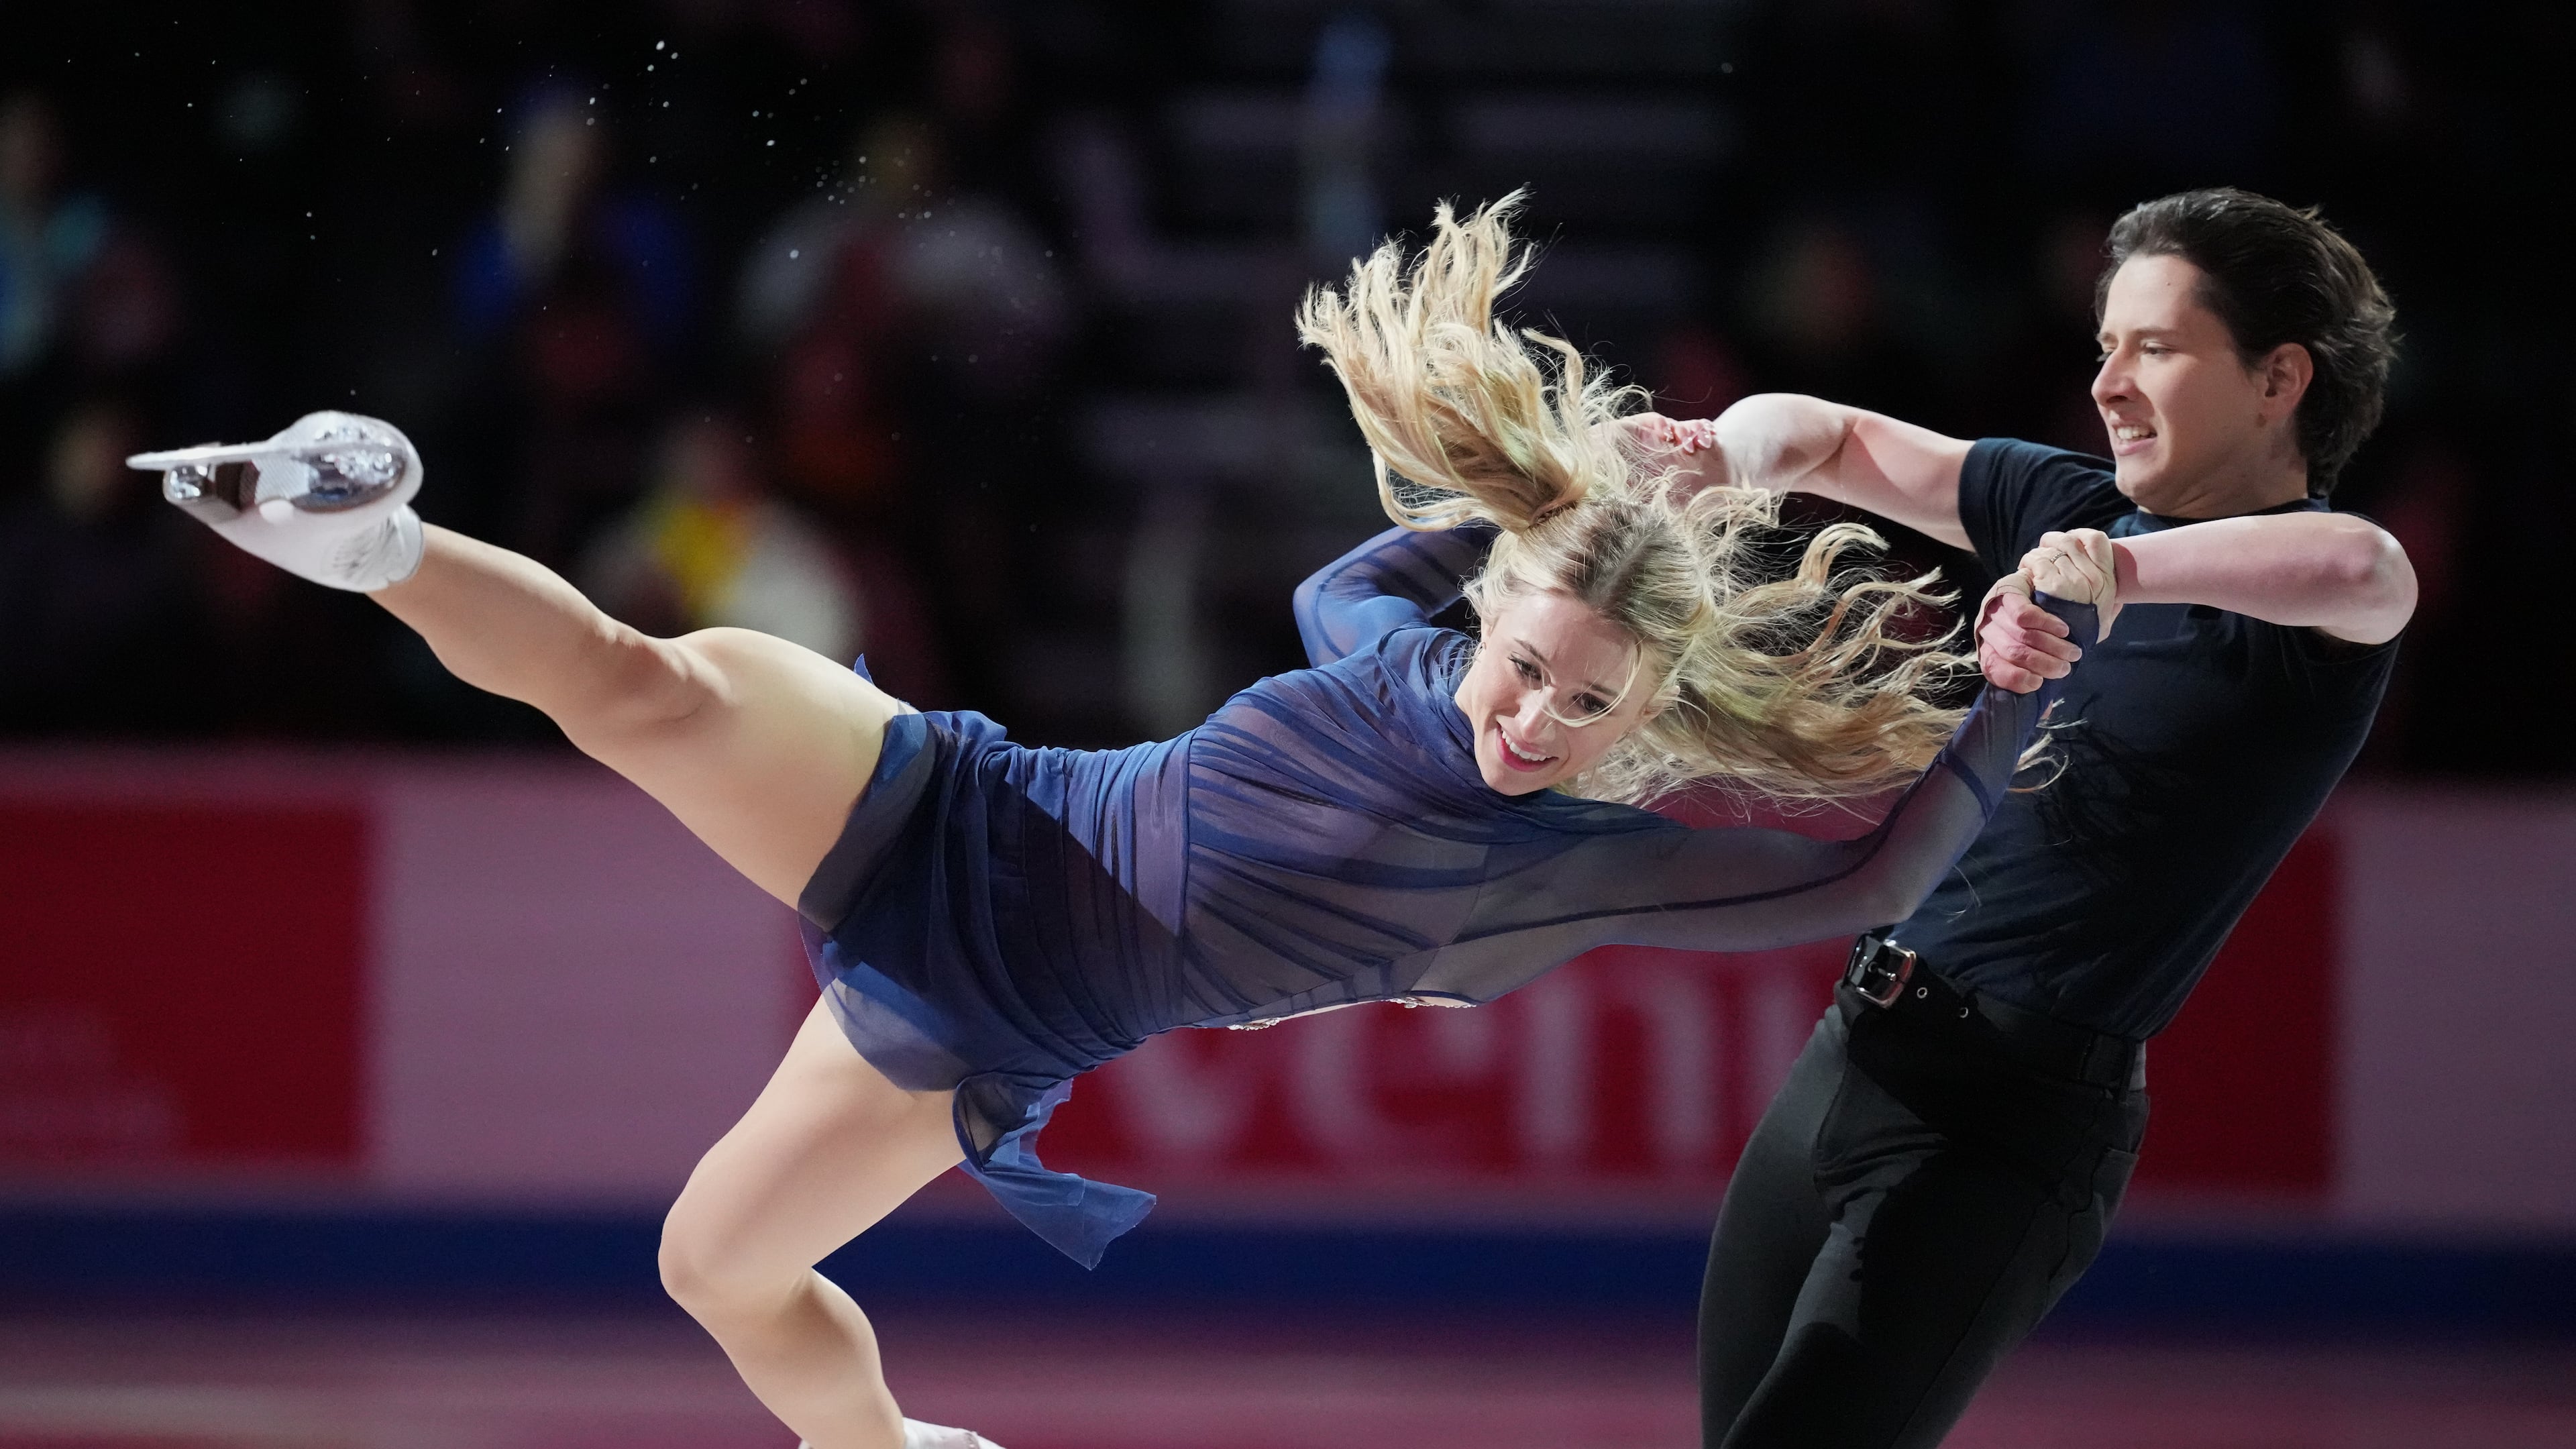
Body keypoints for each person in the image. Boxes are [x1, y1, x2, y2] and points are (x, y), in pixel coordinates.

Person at [129, 199, 2107, 1449]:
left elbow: (1857, 879)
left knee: (715, 1272)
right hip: (948, 799)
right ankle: (359, 525)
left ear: (1643, 717)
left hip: (982, 1017)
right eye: (1527, 664)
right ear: (1492, 608)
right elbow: (1455, 548)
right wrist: (1590, 481)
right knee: (638, 683)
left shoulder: (1569, 858)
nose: (1537, 717)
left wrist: (2009, 714)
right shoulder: (1378, 619)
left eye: (1592, 707)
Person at [1637, 187, 2414, 1448]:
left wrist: (2118, 568)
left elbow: (2367, 570)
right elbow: (1829, 438)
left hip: (2004, 1133)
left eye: (2154, 347)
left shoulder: (2314, 618)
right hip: (1854, 1053)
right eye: (2104, 343)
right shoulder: (2067, 504)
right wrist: (1717, 452)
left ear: (2279, 379)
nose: (2108, 381)